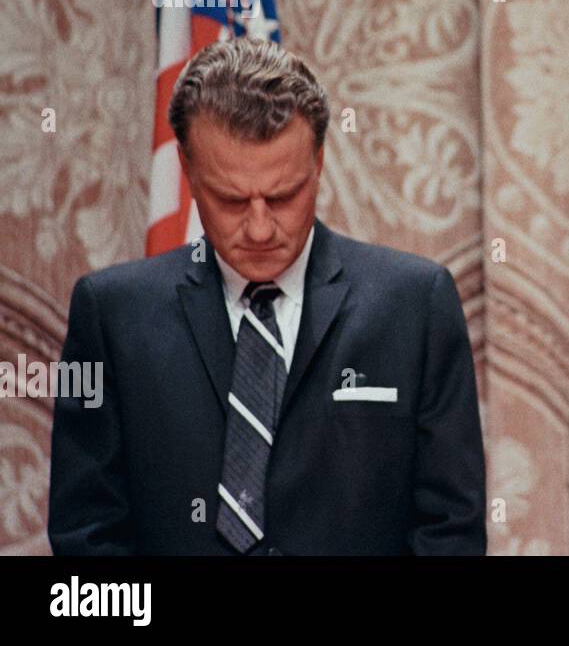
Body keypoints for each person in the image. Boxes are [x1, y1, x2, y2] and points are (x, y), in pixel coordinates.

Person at [49, 38, 486, 554]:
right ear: (188, 172)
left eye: (283, 196)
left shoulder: (415, 305)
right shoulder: (112, 315)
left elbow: (450, 532)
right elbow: (86, 537)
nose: (259, 229)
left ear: (318, 163)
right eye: (231, 200)